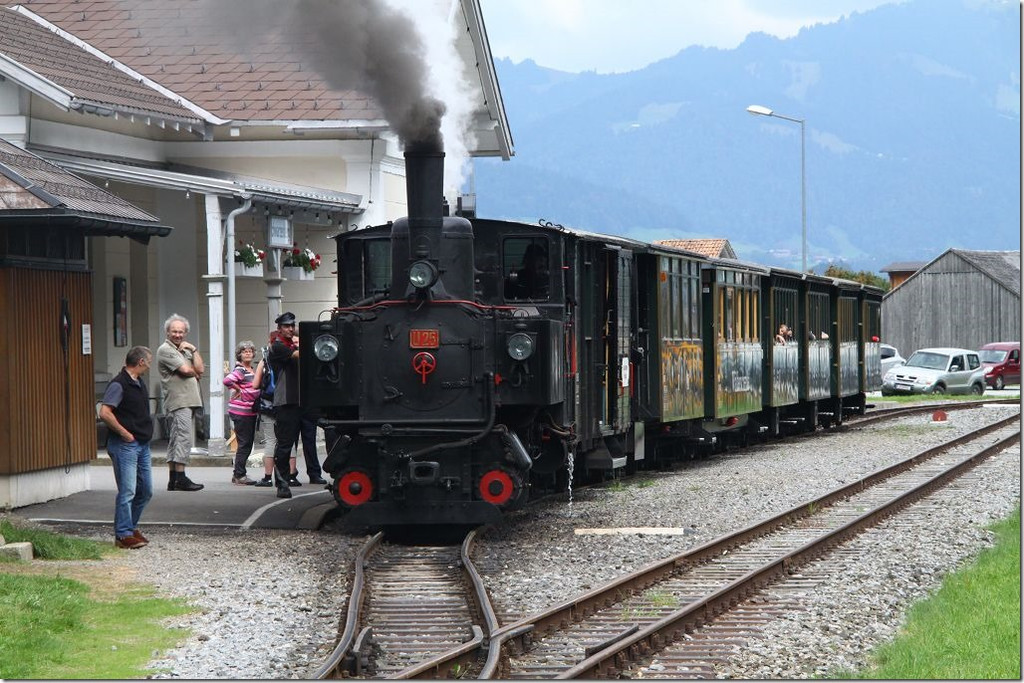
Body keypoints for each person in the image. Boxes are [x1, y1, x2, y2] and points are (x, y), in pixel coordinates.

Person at [98, 346, 155, 549]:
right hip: (125, 445)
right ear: (140, 362)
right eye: (148, 361)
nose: (149, 365)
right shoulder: (119, 384)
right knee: (127, 491)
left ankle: (130, 527)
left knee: (146, 490)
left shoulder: (138, 382)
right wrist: (124, 433)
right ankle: (123, 534)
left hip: (142, 443)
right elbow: (105, 412)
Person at [156, 313, 205, 491]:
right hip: (179, 400)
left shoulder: (186, 349)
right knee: (183, 437)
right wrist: (194, 371)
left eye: (181, 332)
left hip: (188, 399)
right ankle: (181, 478)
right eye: (174, 331)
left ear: (185, 333)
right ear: (167, 332)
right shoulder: (165, 349)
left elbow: (200, 368)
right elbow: (186, 370)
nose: (178, 335)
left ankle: (173, 479)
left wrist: (193, 349)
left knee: (176, 438)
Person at [268, 312, 303, 498]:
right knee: (284, 444)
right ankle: (282, 483)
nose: (290, 329)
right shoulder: (278, 346)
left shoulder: (291, 344)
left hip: (300, 400)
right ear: (279, 329)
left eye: (292, 325)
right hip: (286, 401)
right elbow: (298, 355)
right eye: (287, 326)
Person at [223, 340, 260, 485]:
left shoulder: (252, 369)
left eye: (250, 351)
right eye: (244, 351)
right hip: (241, 411)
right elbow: (227, 380)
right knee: (245, 444)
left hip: (249, 411)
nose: (248, 353)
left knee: (246, 443)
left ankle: (237, 474)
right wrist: (238, 389)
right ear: (239, 354)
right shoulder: (241, 370)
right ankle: (239, 475)